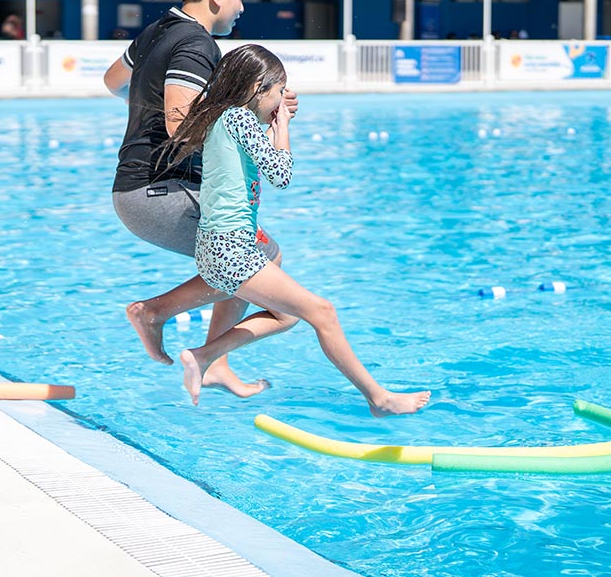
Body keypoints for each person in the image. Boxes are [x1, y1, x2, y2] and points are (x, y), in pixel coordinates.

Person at [168, 44, 432, 415]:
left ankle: (203, 356)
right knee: (322, 312)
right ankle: (379, 398)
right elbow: (281, 174)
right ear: (259, 87)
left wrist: (274, 122)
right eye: (278, 91)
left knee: (287, 316)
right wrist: (284, 126)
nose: (280, 100)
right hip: (231, 250)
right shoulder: (239, 119)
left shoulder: (221, 118)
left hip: (217, 248)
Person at [103, 0, 299, 398]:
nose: (241, 8)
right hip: (159, 191)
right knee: (260, 261)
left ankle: (215, 362)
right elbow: (178, 121)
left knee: (253, 253)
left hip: (138, 186)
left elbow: (115, 82)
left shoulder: (158, 30)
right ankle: (156, 314)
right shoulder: (197, 44)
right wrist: (249, 116)